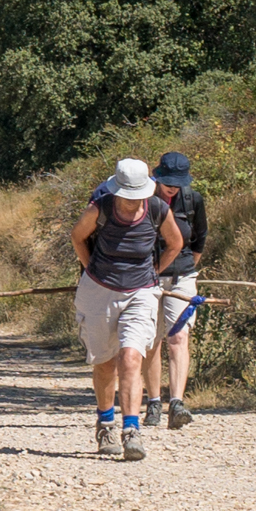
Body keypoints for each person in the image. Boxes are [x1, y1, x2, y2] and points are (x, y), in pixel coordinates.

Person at [71, 157, 184, 462]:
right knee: (105, 362)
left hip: (141, 291)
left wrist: (155, 273)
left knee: (131, 357)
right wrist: (89, 268)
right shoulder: (101, 208)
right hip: (100, 290)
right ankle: (106, 423)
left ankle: (131, 430)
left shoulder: (158, 209)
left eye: (137, 197)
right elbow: (78, 236)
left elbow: (175, 243)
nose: (133, 202)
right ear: (116, 191)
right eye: (127, 196)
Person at [143, 151, 208, 429]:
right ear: (157, 176)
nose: (172, 186)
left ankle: (177, 403)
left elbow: (199, 240)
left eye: (178, 181)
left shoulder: (193, 200)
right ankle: (154, 402)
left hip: (181, 278)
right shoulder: (142, 199)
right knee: (151, 340)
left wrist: (183, 269)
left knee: (178, 337)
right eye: (168, 180)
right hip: (147, 278)